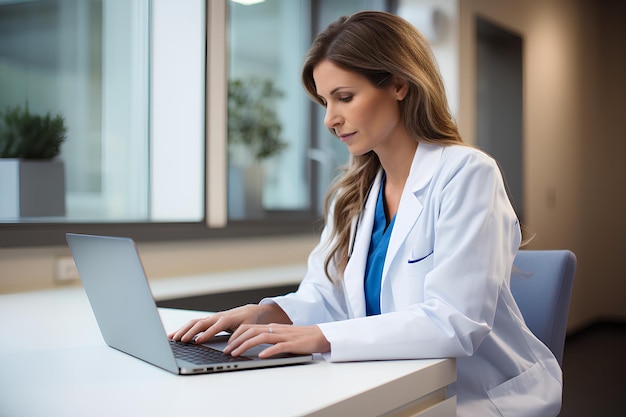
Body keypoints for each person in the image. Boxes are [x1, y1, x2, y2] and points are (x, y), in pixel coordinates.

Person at [169, 10, 562, 417]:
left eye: (345, 97)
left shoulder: (466, 174)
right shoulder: (353, 195)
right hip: (386, 381)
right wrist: (264, 313)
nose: (330, 119)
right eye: (325, 102)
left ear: (398, 84)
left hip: (476, 395)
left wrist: (323, 337)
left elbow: (455, 321)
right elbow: (326, 296)